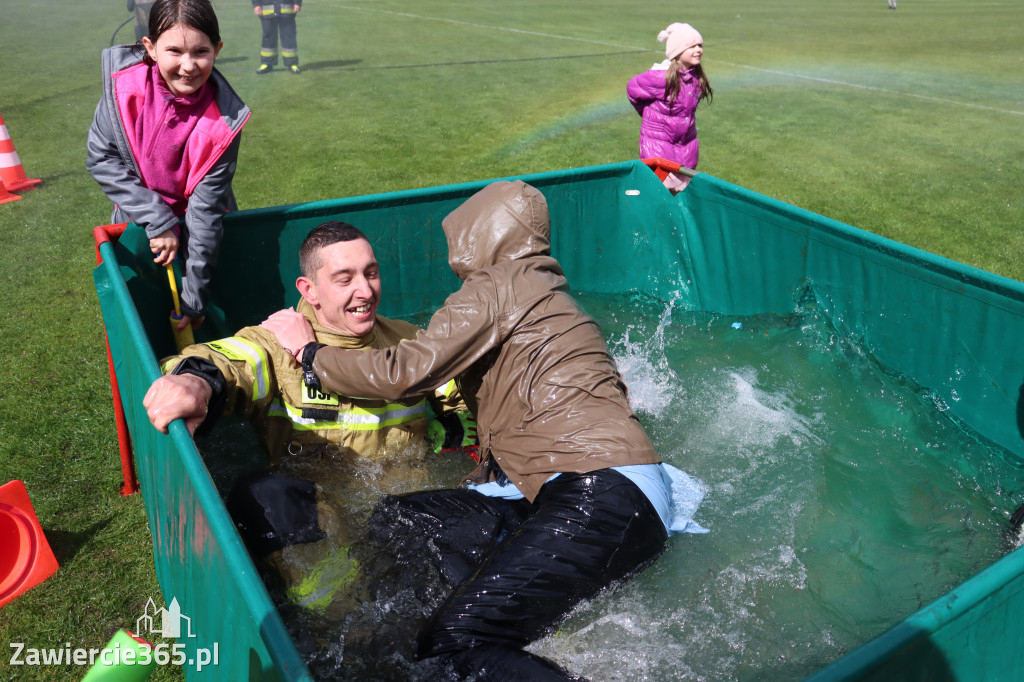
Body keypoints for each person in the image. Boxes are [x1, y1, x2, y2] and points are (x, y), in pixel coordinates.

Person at [265, 181, 707, 680]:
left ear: (479, 236)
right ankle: (457, 616)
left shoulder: (498, 284)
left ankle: (466, 632)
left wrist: (311, 354)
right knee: (403, 515)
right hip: (620, 491)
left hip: (597, 494)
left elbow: (404, 373)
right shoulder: (557, 302)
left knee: (454, 646)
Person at [144, 221, 477, 617]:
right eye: (344, 279)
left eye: (371, 273)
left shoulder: (408, 341)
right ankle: (337, 617)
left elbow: (465, 406)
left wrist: (445, 434)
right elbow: (231, 359)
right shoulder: (277, 343)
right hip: (322, 522)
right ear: (309, 290)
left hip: (407, 512)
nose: (365, 291)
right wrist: (196, 381)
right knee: (263, 493)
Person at [88, 0, 250, 332]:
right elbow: (102, 158)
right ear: (150, 48)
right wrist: (156, 218)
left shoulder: (225, 121)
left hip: (201, 238)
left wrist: (194, 296)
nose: (188, 66)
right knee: (143, 323)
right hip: (137, 229)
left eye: (200, 52)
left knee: (213, 325)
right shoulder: (122, 91)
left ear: (217, 49)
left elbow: (206, 211)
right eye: (174, 51)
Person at [627, 22, 713, 193]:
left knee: (681, 194)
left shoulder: (695, 77)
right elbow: (633, 89)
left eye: (700, 45)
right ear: (677, 51)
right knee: (660, 194)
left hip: (686, 146)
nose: (698, 50)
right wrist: (648, 114)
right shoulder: (660, 78)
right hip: (658, 146)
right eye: (692, 46)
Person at [253, 0, 302, 74]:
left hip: (286, 8)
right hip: (267, 8)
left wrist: (297, 3)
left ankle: (292, 63)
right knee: (268, 37)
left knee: (289, 37)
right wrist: (256, 4)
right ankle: (267, 63)